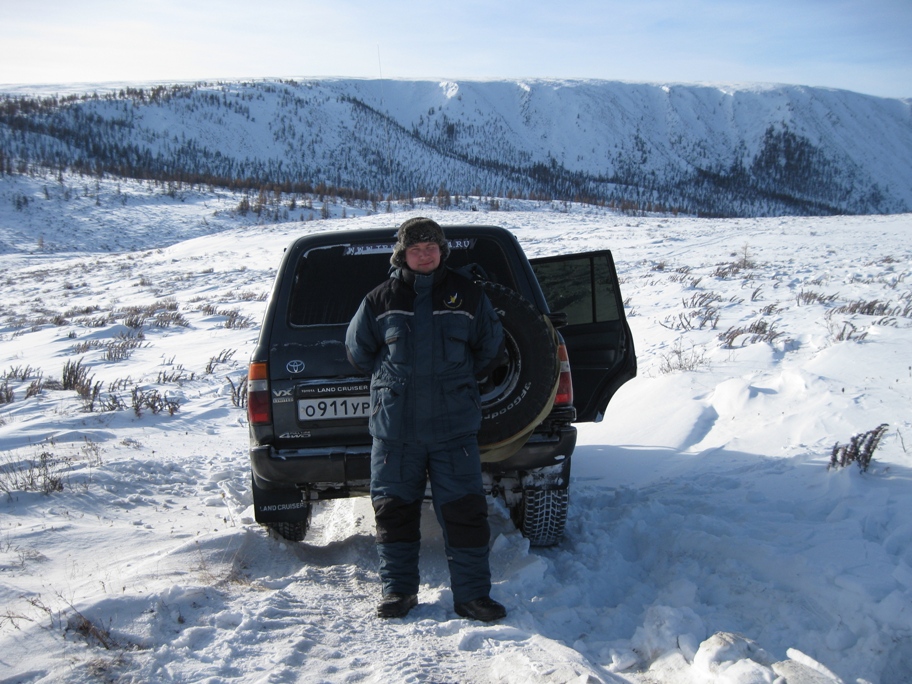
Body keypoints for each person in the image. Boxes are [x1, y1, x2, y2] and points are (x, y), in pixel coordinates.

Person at [345, 217, 507, 621]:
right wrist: (395, 383)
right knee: (394, 512)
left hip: (454, 431)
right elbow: (358, 351)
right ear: (403, 254)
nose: (424, 254)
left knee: (465, 513)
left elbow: (490, 348)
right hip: (396, 433)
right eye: (415, 249)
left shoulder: (467, 296)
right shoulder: (379, 300)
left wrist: (456, 384)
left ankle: (472, 597)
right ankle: (397, 592)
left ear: (442, 250)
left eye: (431, 247)